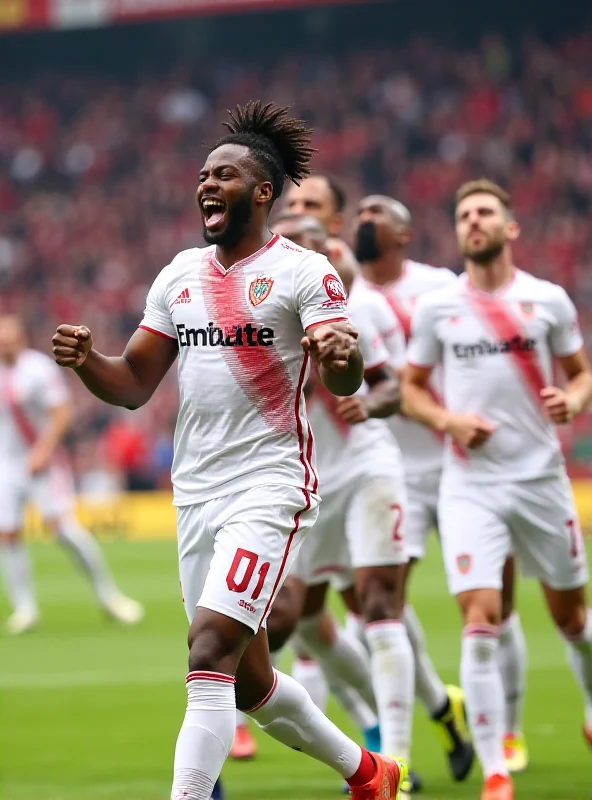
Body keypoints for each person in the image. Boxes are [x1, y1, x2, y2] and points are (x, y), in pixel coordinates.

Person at [52, 101, 407, 800]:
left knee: (208, 649)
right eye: (203, 174)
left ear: (263, 191)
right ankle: (370, 775)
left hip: (270, 483)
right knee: (248, 684)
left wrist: (343, 356)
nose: (207, 184)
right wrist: (90, 360)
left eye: (225, 174)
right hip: (197, 493)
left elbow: (342, 374)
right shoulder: (178, 275)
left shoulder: (306, 273)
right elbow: (132, 386)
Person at [402, 178, 592, 800]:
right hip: (470, 487)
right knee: (480, 619)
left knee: (572, 620)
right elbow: (409, 389)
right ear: (457, 231)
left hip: (539, 480)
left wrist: (574, 400)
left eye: (485, 212)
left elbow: (581, 375)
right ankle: (496, 771)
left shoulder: (548, 301)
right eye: (463, 215)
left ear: (510, 227)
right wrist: (448, 421)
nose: (473, 221)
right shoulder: (439, 308)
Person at [355, 193, 527, 774]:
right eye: (356, 217)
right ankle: (417, 730)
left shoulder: (438, 287)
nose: (362, 224)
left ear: (402, 233)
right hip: (391, 469)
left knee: (493, 603)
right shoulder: (340, 294)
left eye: (373, 215)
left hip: (458, 465)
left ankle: (509, 731)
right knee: (382, 604)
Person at [265, 213, 416, 786]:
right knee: (288, 618)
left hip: (365, 468)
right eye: (294, 244)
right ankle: (376, 721)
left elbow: (392, 384)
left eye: (314, 244)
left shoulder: (351, 309)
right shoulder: (258, 317)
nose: (307, 254)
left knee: (378, 602)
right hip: (302, 481)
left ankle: (398, 760)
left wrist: (368, 401)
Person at [0, 314, 144, 635]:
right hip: (7, 466)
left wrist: (43, 450)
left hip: (43, 461)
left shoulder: (36, 369)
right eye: (1, 336)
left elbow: (62, 412)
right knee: (8, 534)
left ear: (20, 337)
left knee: (63, 530)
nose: (5, 341)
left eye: (9, 335)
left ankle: (109, 596)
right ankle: (25, 609)